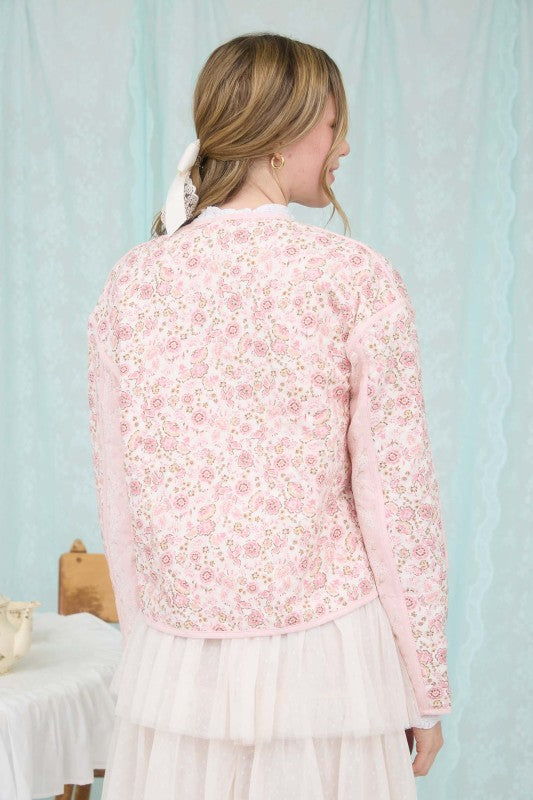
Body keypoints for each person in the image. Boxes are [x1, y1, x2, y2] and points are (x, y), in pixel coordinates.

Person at [87, 31, 451, 799]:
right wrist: (424, 687)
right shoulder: (354, 277)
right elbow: (398, 500)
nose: (344, 145)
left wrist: (146, 654)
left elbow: (121, 501)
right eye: (334, 125)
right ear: (285, 133)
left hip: (179, 661)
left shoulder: (132, 284)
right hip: (328, 657)